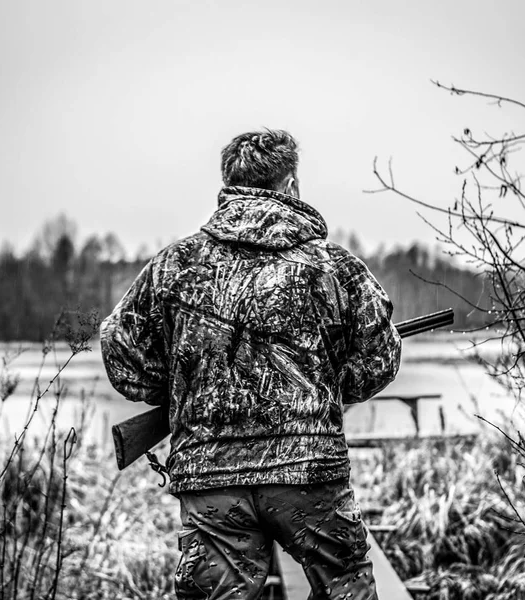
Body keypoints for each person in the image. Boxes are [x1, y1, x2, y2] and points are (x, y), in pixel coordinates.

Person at [100, 129, 402, 599]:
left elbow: (121, 351)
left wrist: (188, 389)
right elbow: (379, 357)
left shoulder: (174, 265)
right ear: (290, 185)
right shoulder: (332, 266)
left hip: (210, 480)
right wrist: (323, 388)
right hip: (308, 475)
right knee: (347, 587)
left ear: (228, 185)